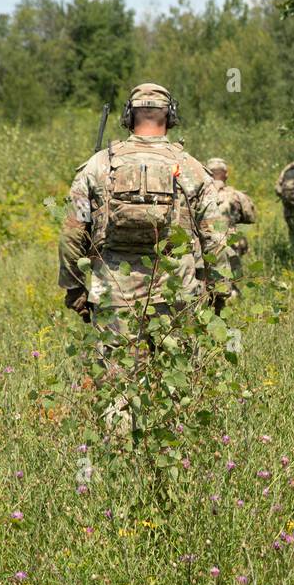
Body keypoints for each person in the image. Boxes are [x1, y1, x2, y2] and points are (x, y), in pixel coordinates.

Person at [58, 82, 232, 429]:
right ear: (171, 116)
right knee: (176, 381)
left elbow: (72, 231)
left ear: (127, 117)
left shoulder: (98, 165)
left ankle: (120, 463)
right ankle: (172, 464)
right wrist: (219, 288)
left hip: (114, 292)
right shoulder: (191, 167)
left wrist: (76, 288)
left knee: (117, 384)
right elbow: (216, 234)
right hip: (177, 291)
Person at [205, 157, 255, 285]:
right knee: (232, 280)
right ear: (226, 175)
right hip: (229, 244)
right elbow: (250, 217)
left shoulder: (198, 194)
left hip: (204, 243)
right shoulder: (236, 195)